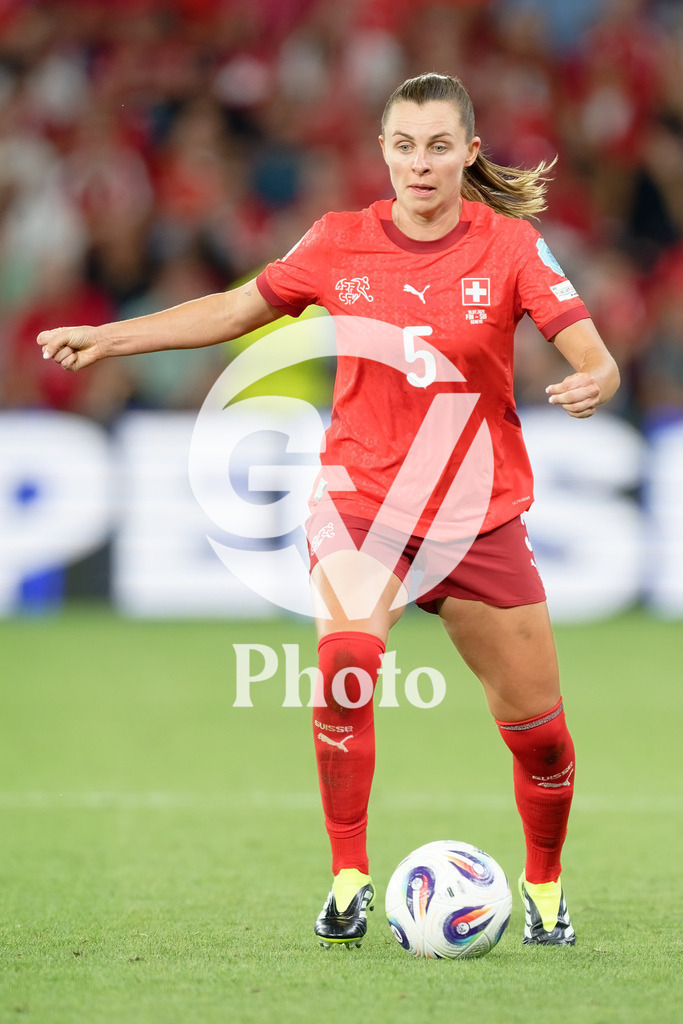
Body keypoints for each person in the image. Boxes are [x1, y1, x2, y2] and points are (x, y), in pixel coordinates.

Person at [38, 73, 620, 950]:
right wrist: (111, 336)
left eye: (437, 147)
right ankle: (348, 879)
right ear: (382, 150)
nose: (418, 164)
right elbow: (236, 308)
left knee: (541, 738)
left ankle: (544, 887)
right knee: (346, 661)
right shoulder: (338, 241)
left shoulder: (509, 247)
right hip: (363, 500)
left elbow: (593, 354)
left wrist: (594, 380)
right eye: (402, 145)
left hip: (477, 513)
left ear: (467, 152)